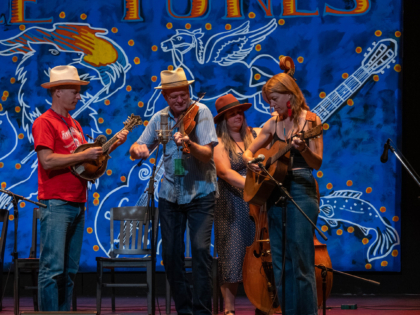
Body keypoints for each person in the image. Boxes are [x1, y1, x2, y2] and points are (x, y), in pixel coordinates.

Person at [33, 65, 128, 311]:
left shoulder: (74, 124)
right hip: (56, 202)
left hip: (77, 201)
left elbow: (86, 165)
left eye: (78, 91)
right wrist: (80, 157)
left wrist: (110, 147)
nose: (79, 96)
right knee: (52, 269)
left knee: (69, 270)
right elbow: (47, 161)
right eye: (73, 91)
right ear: (57, 92)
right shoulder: (45, 122)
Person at [129, 67, 218, 315]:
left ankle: (202, 311)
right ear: (165, 97)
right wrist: (139, 150)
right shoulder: (160, 119)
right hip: (169, 195)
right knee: (170, 256)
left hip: (201, 192)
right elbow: (137, 147)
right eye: (174, 96)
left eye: (184, 94)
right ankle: (184, 310)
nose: (181, 100)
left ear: (189, 92)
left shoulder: (202, 113)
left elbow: (207, 154)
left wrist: (190, 143)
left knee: (200, 251)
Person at [242, 72, 323, 315]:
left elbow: (317, 162)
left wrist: (303, 149)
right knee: (281, 261)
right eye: (269, 99)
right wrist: (252, 162)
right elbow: (248, 152)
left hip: (300, 189)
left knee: (301, 262)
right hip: (275, 195)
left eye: (274, 98)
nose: (271, 104)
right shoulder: (273, 123)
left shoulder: (311, 121)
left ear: (290, 94)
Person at [212, 94, 261, 315]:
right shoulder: (219, 143)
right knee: (231, 254)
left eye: (239, 112)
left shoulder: (256, 135)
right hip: (231, 204)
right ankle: (229, 310)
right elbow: (225, 172)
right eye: (231, 113)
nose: (237, 116)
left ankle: (263, 304)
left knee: (261, 253)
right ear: (223, 119)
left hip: (258, 206)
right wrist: (254, 188)